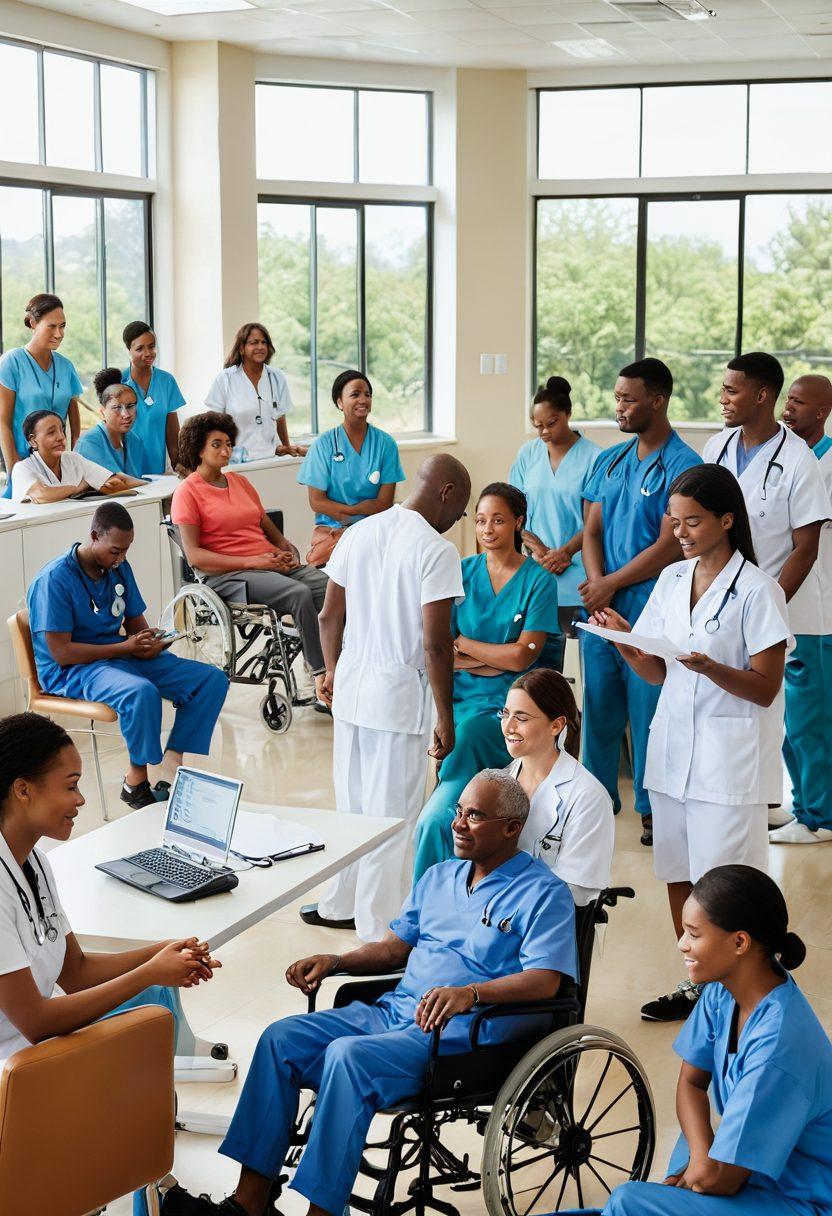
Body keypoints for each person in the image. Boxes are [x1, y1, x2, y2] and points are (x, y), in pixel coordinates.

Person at [161, 769, 578, 1216]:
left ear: (512, 828)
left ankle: (321, 1212)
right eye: (459, 811)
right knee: (280, 1039)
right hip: (394, 1012)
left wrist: (470, 993)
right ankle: (249, 1205)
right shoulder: (440, 876)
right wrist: (335, 961)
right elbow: (393, 948)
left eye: (475, 816)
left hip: (461, 1037)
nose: (457, 823)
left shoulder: (543, 893)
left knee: (347, 1056)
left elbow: (546, 980)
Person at [0, 712, 221, 1216]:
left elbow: (73, 969)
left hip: (32, 1056)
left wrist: (162, 950)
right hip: (14, 1068)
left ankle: (147, 1190)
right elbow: (34, 1022)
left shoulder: (34, 861)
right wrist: (150, 973)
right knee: (139, 1024)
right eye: (71, 786)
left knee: (148, 1013)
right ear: (23, 790)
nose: (81, 800)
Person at [594, 465, 791, 1023]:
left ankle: (746, 993)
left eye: (693, 522)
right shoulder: (673, 580)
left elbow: (765, 685)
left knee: (728, 888)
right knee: (679, 876)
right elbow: (657, 672)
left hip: (728, 764)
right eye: (675, 522)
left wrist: (709, 669)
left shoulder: (758, 589)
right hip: (675, 753)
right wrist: (626, 645)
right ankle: (699, 985)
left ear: (727, 521)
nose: (680, 533)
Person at [597, 865, 831, 1216]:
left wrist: (702, 1173)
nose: (681, 944)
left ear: (739, 942)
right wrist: (700, 1160)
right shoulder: (722, 993)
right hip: (744, 1167)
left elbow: (721, 1181)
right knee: (676, 1169)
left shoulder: (779, 1046)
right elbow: (691, 1082)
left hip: (798, 1198)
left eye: (693, 933)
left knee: (627, 1203)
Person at [303, 453, 470, 941]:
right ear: (446, 493)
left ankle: (339, 904)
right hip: (397, 698)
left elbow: (327, 617)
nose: (456, 521)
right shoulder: (435, 551)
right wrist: (446, 715)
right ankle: (378, 927)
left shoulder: (359, 532)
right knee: (393, 815)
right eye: (459, 512)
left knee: (351, 805)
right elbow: (436, 643)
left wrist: (331, 672)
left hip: (351, 689)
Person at [27, 502, 229, 810]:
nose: (121, 558)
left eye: (126, 551)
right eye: (115, 550)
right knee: (140, 692)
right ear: (94, 535)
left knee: (211, 680)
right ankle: (135, 780)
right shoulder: (55, 580)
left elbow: (136, 625)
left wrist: (153, 642)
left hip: (118, 656)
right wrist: (126, 647)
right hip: (73, 669)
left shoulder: (117, 569)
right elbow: (62, 652)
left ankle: (171, 764)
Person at [580, 358, 701, 846]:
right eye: (617, 398)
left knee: (649, 708)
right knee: (600, 706)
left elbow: (671, 543)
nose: (620, 408)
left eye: (629, 399)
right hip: (603, 608)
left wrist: (610, 584)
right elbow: (592, 528)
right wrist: (596, 585)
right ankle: (592, 800)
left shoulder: (684, 465)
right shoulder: (609, 460)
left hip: (651, 607)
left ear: (658, 399)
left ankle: (653, 810)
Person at [413, 483, 560, 882]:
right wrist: (493, 657)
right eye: (480, 520)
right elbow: (446, 653)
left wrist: (468, 647)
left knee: (476, 730)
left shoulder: (539, 582)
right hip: (459, 703)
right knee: (460, 735)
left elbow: (523, 657)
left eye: (497, 519)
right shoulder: (461, 572)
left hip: (513, 709)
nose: (487, 528)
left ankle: (458, 811)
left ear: (518, 522)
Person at [171, 411, 329, 685]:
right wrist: (255, 562)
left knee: (333, 587)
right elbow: (195, 557)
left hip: (267, 563)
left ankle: (340, 658)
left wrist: (287, 551)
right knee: (299, 593)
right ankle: (321, 674)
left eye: (229, 443)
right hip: (228, 575)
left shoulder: (240, 482)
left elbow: (270, 530)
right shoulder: (188, 492)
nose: (226, 450)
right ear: (198, 449)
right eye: (217, 444)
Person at [771, 374, 832, 844]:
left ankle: (821, 817)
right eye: (787, 400)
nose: (788, 409)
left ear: (823, 411)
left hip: (817, 613)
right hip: (787, 609)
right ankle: (803, 808)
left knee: (813, 721)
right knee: (792, 721)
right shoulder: (790, 458)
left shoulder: (827, 462)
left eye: (799, 402)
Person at [502, 668, 614, 907]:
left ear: (556, 725)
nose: (509, 726)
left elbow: (575, 891)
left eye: (521, 718)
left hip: (545, 925)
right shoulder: (500, 781)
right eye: (505, 714)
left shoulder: (588, 797)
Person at [509, 376, 601, 634]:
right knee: (538, 662)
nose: (544, 432)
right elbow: (512, 509)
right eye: (537, 426)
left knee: (580, 657)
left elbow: (598, 520)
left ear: (568, 414)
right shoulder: (528, 453)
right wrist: (537, 550)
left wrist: (566, 552)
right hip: (537, 567)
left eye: (552, 423)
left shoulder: (595, 458)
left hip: (579, 573)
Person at [296, 370, 405, 567]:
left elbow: (384, 503)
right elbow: (317, 501)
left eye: (367, 395)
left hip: (373, 527)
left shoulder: (385, 444)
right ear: (339, 402)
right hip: (331, 528)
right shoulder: (324, 444)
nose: (363, 400)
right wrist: (353, 511)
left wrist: (352, 521)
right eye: (355, 394)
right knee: (321, 559)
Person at [0, 293, 83, 497]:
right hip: (25, 466)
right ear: (33, 324)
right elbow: (3, 423)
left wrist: (75, 464)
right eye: (51, 326)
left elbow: (75, 422)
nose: (59, 333)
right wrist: (15, 470)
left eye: (62, 326)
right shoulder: (11, 362)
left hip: (60, 469)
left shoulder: (66, 366)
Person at [205, 323, 306, 462]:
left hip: (272, 458)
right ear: (241, 348)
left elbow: (280, 417)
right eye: (254, 343)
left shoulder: (277, 377)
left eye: (264, 342)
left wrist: (287, 447)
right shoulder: (225, 378)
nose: (260, 347)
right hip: (237, 460)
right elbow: (213, 424)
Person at [10, 410, 135, 503]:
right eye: (51, 432)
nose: (61, 437)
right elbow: (41, 494)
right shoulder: (22, 468)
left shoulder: (73, 458)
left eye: (62, 430)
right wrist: (78, 489)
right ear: (33, 441)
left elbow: (111, 481)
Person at [121, 321, 186, 475]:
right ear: (128, 350)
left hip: (157, 473)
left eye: (151, 346)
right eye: (139, 348)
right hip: (125, 473)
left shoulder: (166, 381)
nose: (148, 353)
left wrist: (181, 469)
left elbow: (172, 436)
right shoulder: (118, 383)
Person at [75, 368, 150, 483]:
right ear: (102, 412)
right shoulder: (88, 443)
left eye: (130, 406)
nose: (126, 415)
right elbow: (110, 485)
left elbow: (136, 479)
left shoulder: (135, 441)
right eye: (117, 408)